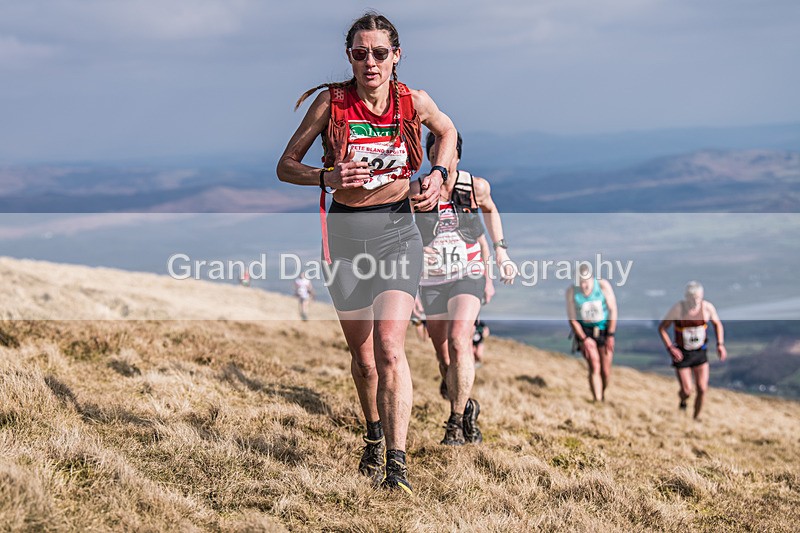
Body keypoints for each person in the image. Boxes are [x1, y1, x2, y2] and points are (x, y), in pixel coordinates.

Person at [276, 12, 457, 494]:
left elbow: (449, 133)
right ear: (349, 57)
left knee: (390, 348)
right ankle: (374, 435)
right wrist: (327, 177)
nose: (370, 61)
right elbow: (284, 166)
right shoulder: (330, 103)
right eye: (360, 52)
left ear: (396, 56)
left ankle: (396, 466)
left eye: (380, 52)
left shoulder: (412, 101)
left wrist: (439, 175)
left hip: (398, 230)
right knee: (363, 359)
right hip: (346, 235)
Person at [412, 131, 516, 446]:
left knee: (460, 341)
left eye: (445, 153)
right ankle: (467, 406)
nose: (439, 160)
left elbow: (490, 210)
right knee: (445, 360)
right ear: (429, 155)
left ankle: (455, 424)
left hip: (466, 273)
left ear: (456, 156)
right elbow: (403, 233)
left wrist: (501, 251)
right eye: (433, 153)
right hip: (430, 280)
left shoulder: (474, 187)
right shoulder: (417, 189)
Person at [658, 281, 727, 420]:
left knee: (702, 389)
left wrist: (720, 344)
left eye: (698, 297)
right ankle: (683, 400)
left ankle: (696, 418)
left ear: (702, 296)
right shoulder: (678, 309)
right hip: (682, 353)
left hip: (700, 352)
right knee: (687, 390)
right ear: (686, 297)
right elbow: (662, 328)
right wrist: (670, 347)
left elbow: (717, 324)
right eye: (692, 297)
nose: (695, 301)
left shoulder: (707, 308)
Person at [566, 264, 618, 402]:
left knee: (605, 371)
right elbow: (572, 319)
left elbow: (613, 310)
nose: (584, 285)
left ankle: (602, 392)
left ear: (592, 278)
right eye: (580, 282)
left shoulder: (602, 286)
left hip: (604, 330)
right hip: (585, 332)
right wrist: (583, 338)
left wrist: (611, 335)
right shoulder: (571, 291)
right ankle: (597, 400)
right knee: (594, 365)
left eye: (586, 281)